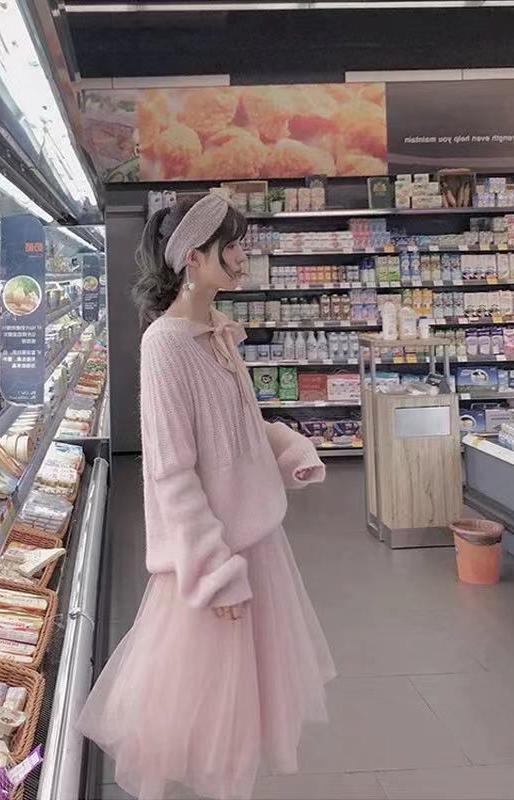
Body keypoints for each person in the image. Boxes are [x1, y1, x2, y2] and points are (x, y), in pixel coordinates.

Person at [78, 191, 336, 800]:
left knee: (245, 704)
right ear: (193, 257)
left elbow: (243, 424)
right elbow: (173, 472)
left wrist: (290, 449)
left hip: (256, 540)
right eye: (233, 245)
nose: (244, 256)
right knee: (215, 715)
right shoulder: (165, 345)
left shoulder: (217, 332)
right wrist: (216, 572)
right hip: (213, 556)